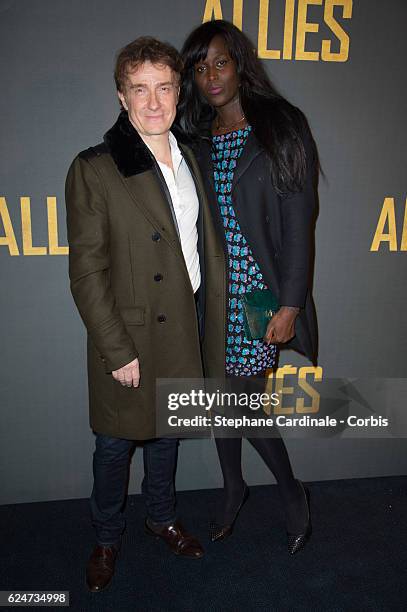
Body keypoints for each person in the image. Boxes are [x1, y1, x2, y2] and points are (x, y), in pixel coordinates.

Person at [65, 36, 221, 592]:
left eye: (163, 88)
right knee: (114, 444)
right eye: (140, 90)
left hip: (185, 323)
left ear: (179, 92)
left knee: (166, 436)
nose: (153, 103)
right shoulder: (96, 168)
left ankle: (162, 517)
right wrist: (117, 348)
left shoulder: (193, 158)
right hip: (129, 335)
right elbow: (87, 272)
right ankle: (107, 536)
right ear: (121, 96)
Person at [178, 20, 318, 554]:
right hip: (209, 294)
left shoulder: (281, 125)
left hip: (259, 295)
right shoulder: (193, 137)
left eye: (220, 61)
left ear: (240, 63)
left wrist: (289, 302)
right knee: (220, 399)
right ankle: (234, 485)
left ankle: (290, 493)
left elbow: (298, 219)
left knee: (241, 402)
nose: (210, 75)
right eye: (199, 66)